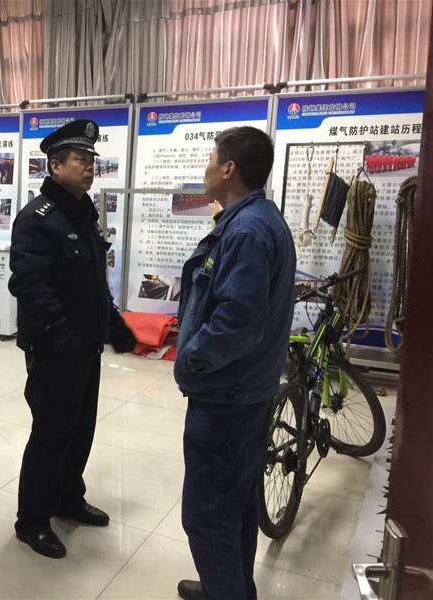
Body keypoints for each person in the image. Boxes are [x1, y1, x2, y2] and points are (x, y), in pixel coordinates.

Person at [172, 126, 296, 600]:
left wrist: (191, 359)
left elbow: (235, 324)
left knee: (206, 515)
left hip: (228, 395)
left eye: (210, 159)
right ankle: (230, 588)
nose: (205, 168)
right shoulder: (258, 219)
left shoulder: (245, 231)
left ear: (228, 168)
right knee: (236, 504)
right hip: (247, 389)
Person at [8, 119, 137, 559]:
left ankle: (68, 497)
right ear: (55, 165)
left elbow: (92, 282)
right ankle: (32, 520)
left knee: (80, 428)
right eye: (80, 160)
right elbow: (29, 284)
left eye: (91, 160)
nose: (89, 167)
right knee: (50, 433)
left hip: (85, 346)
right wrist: (62, 335)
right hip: (54, 349)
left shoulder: (83, 214)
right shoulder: (38, 218)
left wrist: (113, 326)